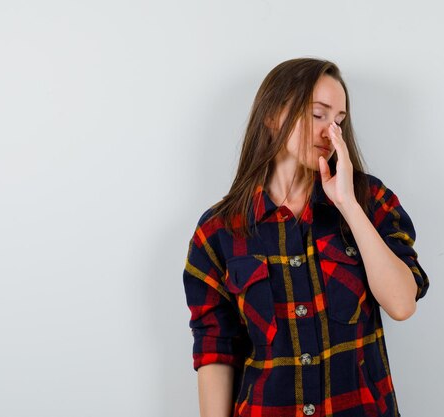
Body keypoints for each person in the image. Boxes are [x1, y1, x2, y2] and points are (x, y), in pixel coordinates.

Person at [182, 57, 429, 417]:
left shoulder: (369, 201)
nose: (331, 132)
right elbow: (216, 351)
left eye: (339, 122)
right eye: (318, 115)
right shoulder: (218, 231)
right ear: (272, 116)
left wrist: (347, 204)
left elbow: (402, 304)